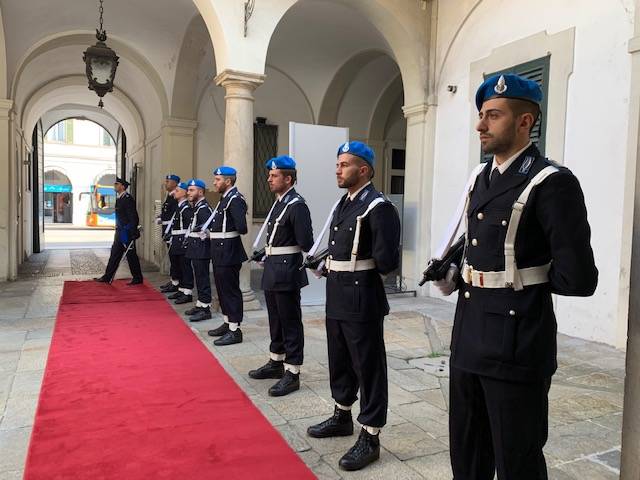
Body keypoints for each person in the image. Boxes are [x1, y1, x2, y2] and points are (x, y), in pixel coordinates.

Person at [432, 73, 598, 479]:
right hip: (469, 335)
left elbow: (579, 278)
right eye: (481, 115)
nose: (480, 126)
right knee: (467, 452)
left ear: (526, 121)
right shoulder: (481, 177)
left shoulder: (552, 182)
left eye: (493, 116)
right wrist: (457, 270)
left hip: (517, 342)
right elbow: (477, 242)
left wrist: (517, 282)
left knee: (516, 460)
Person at [306, 141, 401, 472]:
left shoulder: (379, 207)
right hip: (338, 295)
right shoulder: (344, 205)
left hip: (363, 299)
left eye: (344, 164)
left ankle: (371, 435)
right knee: (340, 359)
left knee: (368, 367)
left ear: (364, 170)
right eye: (337, 164)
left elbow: (389, 262)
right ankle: (342, 415)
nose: (337, 169)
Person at [248, 156, 314, 397]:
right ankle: (276, 361)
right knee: (276, 319)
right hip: (274, 267)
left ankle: (292, 372)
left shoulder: (297, 205)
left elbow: (306, 241)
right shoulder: (279, 202)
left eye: (274, 176)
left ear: (288, 178)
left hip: (286, 270)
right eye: (269, 175)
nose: (269, 179)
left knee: (290, 322)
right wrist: (265, 253)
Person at [206, 166, 249, 346]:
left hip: (228, 251)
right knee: (222, 289)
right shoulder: (225, 198)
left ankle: (235, 330)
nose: (214, 183)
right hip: (220, 251)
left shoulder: (235, 199)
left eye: (217, 180)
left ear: (228, 181)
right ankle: (227, 321)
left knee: (230, 291)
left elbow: (242, 228)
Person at [94, 177, 143, 285]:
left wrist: (133, 231)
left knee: (131, 255)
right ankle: (107, 276)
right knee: (115, 254)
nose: (115, 186)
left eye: (117, 184)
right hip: (120, 231)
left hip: (126, 232)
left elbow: (133, 216)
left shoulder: (127, 198)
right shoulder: (120, 198)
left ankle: (138, 278)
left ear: (123, 186)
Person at [182, 179, 214, 322]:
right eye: (188, 190)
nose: (188, 192)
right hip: (195, 248)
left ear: (200, 192)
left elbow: (209, 229)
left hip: (201, 248)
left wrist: (204, 233)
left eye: (192, 190)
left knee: (202, 278)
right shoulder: (197, 207)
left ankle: (206, 308)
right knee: (199, 277)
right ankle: (200, 304)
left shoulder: (204, 208)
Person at [165, 182, 195, 305]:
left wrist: (186, 240)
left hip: (182, 241)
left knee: (185, 267)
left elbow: (189, 226)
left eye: (178, 190)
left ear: (184, 192)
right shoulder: (180, 206)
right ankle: (181, 289)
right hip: (176, 240)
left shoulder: (186, 208)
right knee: (178, 266)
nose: (175, 192)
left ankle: (187, 292)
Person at [158, 174, 180, 293]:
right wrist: (161, 217)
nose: (165, 183)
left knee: (175, 258)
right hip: (167, 229)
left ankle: (176, 282)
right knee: (172, 258)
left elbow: (176, 217)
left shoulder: (176, 197)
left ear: (175, 184)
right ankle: (173, 280)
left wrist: (171, 232)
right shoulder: (169, 196)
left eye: (168, 181)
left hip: (172, 231)